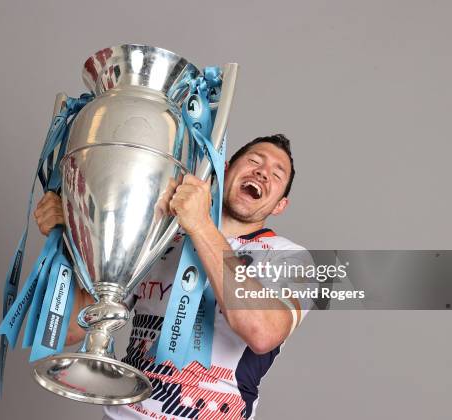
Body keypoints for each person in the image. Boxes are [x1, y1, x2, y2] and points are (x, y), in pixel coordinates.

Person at [34, 134, 313, 420]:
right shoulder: (161, 235)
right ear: (225, 168)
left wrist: (200, 225)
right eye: (254, 161)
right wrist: (67, 241)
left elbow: (263, 332)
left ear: (280, 205)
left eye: (276, 175)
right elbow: (72, 330)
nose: (262, 173)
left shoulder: (294, 258)